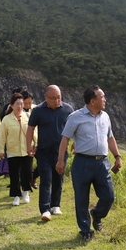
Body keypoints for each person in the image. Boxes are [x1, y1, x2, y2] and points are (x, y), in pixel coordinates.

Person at [56, 85, 122, 241]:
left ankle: (97, 214)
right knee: (81, 198)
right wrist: (60, 161)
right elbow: (65, 139)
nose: (105, 100)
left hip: (102, 163)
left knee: (109, 196)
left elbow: (110, 138)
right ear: (93, 101)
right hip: (82, 163)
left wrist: (117, 156)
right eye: (102, 97)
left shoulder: (105, 116)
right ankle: (85, 230)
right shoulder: (75, 117)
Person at [26, 85, 74, 222]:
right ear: (46, 97)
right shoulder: (38, 110)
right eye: (52, 98)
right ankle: (45, 209)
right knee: (46, 180)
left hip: (61, 151)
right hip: (43, 151)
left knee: (58, 179)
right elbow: (30, 129)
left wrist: (76, 142)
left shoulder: (68, 109)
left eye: (58, 97)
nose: (56, 101)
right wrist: (28, 145)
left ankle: (55, 205)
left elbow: (75, 128)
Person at [0, 93, 37, 206]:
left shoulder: (28, 116)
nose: (20, 106)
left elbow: (34, 132)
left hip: (27, 150)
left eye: (21, 104)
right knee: (14, 174)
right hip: (13, 151)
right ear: (11, 105)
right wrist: (0, 149)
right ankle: (16, 195)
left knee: (27, 172)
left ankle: (26, 191)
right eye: (17, 104)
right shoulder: (6, 119)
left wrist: (36, 144)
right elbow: (2, 136)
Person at [22, 90, 39, 190]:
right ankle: (25, 184)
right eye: (26, 103)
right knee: (25, 166)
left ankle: (34, 178)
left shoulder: (37, 109)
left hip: (37, 141)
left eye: (30, 102)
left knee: (42, 163)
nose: (28, 105)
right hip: (23, 142)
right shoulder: (18, 110)